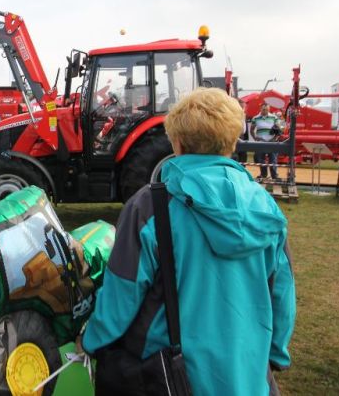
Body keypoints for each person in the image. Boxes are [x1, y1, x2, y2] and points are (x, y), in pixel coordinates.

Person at [81, 87, 296, 395]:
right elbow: (282, 293)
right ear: (232, 141)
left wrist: (92, 339)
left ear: (177, 142)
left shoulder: (149, 207)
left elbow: (123, 291)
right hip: (246, 375)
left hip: (169, 375)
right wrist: (275, 352)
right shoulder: (267, 207)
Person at [251, 103, 282, 180]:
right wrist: (255, 137)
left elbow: (279, 129)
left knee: (273, 159)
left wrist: (275, 138)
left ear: (269, 109)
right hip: (261, 142)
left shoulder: (274, 117)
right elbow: (251, 129)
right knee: (260, 159)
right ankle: (263, 175)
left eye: (267, 109)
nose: (265, 111)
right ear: (260, 109)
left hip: (272, 142)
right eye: (264, 109)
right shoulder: (255, 118)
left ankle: (274, 176)